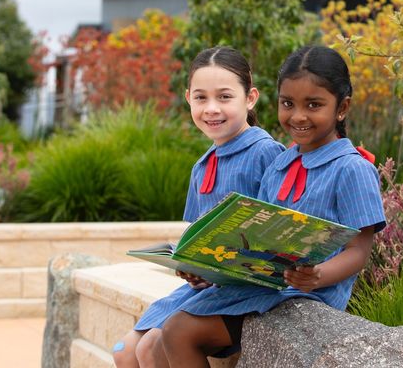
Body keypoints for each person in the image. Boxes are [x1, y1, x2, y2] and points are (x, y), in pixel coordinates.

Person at [160, 45, 386, 367]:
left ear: (342, 107)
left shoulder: (352, 168)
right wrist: (208, 270)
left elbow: (359, 251)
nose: (298, 116)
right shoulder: (280, 165)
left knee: (179, 332)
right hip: (267, 289)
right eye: (287, 103)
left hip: (310, 296)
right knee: (166, 334)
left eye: (314, 105)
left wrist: (317, 275)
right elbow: (256, 240)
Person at [112, 46, 284, 368]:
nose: (212, 109)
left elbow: (277, 235)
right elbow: (196, 236)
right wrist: (191, 266)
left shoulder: (266, 153)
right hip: (209, 288)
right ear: (188, 97)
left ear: (250, 98)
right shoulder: (202, 166)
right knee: (124, 350)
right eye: (201, 98)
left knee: (151, 348)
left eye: (224, 97)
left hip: (247, 290)